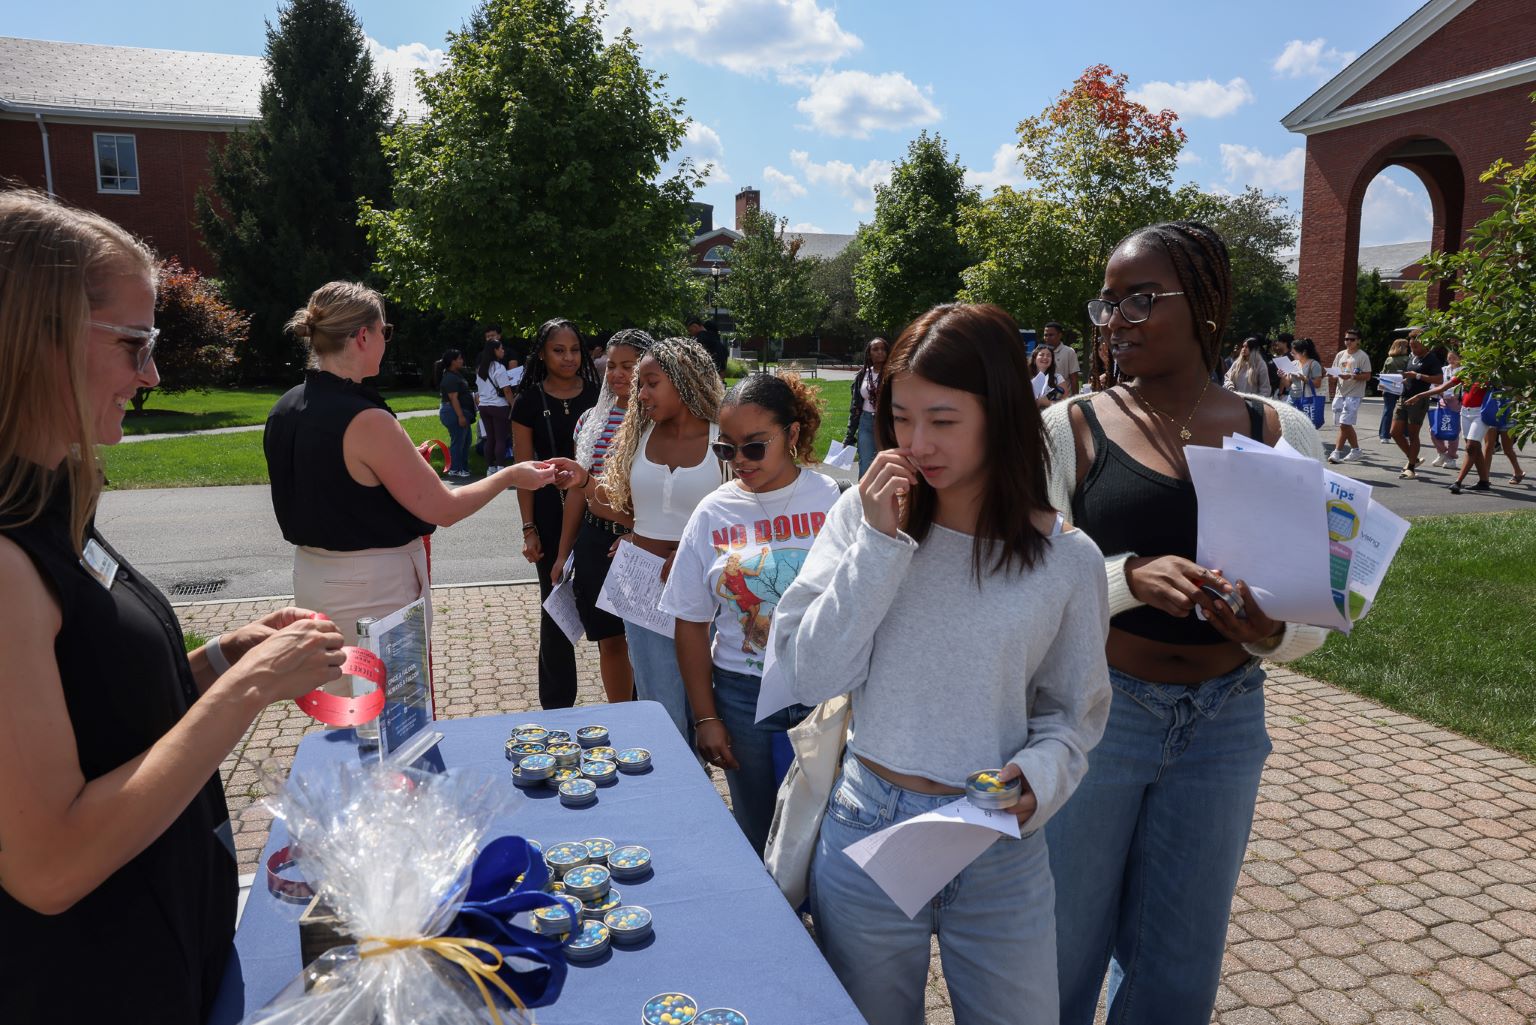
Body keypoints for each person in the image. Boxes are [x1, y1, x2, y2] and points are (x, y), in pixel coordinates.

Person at [0, 189, 349, 1025]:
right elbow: (48, 863)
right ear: (33, 336)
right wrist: (246, 690)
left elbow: (104, 716)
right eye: (134, 344)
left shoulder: (54, 499)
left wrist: (221, 657)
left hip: (167, 947)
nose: (152, 374)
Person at [771, 302, 1111, 1025]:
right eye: (900, 416)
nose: (916, 442)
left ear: (1002, 414)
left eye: (944, 419)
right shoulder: (859, 520)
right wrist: (879, 546)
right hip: (869, 824)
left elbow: (1072, 715)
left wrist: (1038, 779)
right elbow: (810, 674)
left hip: (996, 838)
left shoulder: (1067, 559)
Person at [1043, 220, 1329, 1025]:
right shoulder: (1071, 427)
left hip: (1226, 720)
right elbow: (1025, 580)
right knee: (1062, 946)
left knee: (1181, 963)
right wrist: (1125, 576)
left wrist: (1268, 629)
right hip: (1101, 714)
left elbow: (1311, 610)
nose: (1118, 319)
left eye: (1141, 298)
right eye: (1110, 302)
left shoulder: (1280, 430)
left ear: (1204, 304)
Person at [266, 283, 571, 649]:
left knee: (337, 700)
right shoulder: (366, 420)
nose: (386, 340)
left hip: (314, 581)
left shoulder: (286, 406)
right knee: (390, 703)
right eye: (385, 331)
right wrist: (511, 474)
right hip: (371, 593)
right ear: (364, 336)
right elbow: (445, 508)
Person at [661, 372, 841, 856]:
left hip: (825, 691)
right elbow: (690, 622)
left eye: (754, 446)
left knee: (828, 834)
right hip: (743, 696)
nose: (739, 461)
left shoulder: (833, 501)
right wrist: (705, 717)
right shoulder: (712, 513)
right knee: (761, 835)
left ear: (794, 434)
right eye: (726, 449)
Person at [599, 337, 725, 740]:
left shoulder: (723, 440)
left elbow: (746, 518)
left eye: (651, 382)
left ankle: (700, 787)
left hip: (709, 588)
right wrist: (631, 536)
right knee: (660, 707)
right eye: (641, 384)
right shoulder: (638, 435)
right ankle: (678, 794)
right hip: (644, 585)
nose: (641, 393)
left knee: (704, 705)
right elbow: (629, 506)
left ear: (684, 380)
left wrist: (693, 556)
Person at [552, 329, 652, 703]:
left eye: (629, 366)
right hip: (596, 540)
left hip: (642, 541)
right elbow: (578, 491)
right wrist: (564, 552)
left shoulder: (659, 421)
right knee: (609, 640)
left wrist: (640, 532)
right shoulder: (590, 421)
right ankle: (623, 715)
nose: (617, 374)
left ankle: (659, 719)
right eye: (611, 365)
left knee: (647, 643)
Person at [511, 318, 602, 709]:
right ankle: (557, 705)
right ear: (543, 354)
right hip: (549, 515)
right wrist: (529, 528)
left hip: (599, 509)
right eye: (558, 350)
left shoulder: (601, 396)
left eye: (575, 350)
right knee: (555, 606)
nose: (568, 358)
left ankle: (628, 696)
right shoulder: (528, 402)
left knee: (606, 607)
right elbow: (521, 474)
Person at [1411, 375, 1489, 494]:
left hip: (1481, 413)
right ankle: (1484, 482)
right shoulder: (1467, 371)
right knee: (1475, 448)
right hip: (1465, 412)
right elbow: (1443, 387)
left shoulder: (1490, 371)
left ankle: (1458, 482)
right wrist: (1420, 395)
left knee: (1471, 447)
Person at [1390, 329, 1446, 479]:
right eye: (1411, 342)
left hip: (1419, 399)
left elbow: (1439, 380)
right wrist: (1400, 381)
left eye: (1415, 343)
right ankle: (1413, 459)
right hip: (1403, 397)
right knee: (1394, 432)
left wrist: (1418, 376)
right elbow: (1410, 377)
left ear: (1425, 344)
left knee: (1413, 434)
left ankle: (1411, 468)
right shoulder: (1411, 357)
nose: (1412, 346)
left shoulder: (1431, 359)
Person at [842, 337, 888, 479]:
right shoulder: (863, 375)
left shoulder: (893, 374)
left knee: (886, 463)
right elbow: (855, 406)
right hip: (866, 422)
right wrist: (850, 435)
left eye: (883, 349)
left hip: (886, 424)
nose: (880, 352)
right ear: (869, 354)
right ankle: (863, 498)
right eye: (875, 349)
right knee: (866, 463)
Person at [1327, 327, 1372, 463]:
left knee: (1344, 423)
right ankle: (1356, 450)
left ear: (1358, 341)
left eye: (1351, 339)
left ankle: (1336, 452)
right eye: (1346, 339)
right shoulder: (1340, 355)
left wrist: (1352, 376)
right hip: (1340, 393)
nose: (1348, 342)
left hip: (1354, 394)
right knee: (1343, 424)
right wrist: (1336, 376)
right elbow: (1333, 373)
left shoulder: (1362, 356)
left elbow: (1367, 376)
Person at [476, 338, 516, 474]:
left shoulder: (480, 368)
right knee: (500, 438)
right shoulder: (499, 367)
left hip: (484, 406)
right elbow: (507, 390)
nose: (503, 351)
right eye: (501, 348)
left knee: (489, 438)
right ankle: (500, 467)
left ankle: (490, 467)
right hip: (498, 406)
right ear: (495, 350)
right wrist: (513, 404)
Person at [436, 347, 476, 479]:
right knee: (458, 441)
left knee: (466, 440)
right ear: (453, 361)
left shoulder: (456, 375)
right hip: (453, 412)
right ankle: (455, 469)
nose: (462, 360)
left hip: (459, 411)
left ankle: (463, 468)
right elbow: (453, 398)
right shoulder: (450, 377)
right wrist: (460, 416)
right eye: (459, 358)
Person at [1426, 347, 1462, 470]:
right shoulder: (1444, 370)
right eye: (1449, 358)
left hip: (1457, 403)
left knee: (1453, 431)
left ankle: (1451, 458)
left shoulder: (1463, 371)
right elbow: (1434, 385)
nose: (1451, 360)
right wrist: (1438, 389)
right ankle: (1442, 453)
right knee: (1433, 429)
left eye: (1454, 358)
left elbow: (1460, 388)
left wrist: (1445, 390)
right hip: (1442, 401)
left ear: (1460, 359)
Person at [1377, 337, 1410, 443]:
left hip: (1388, 386)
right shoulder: (1407, 359)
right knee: (1404, 411)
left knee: (1387, 410)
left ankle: (1384, 435)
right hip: (1402, 386)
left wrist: (1382, 387)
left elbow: (1383, 373)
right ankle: (1405, 433)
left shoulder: (1389, 359)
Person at [1041, 320, 1081, 394]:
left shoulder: (1069, 352)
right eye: (1046, 335)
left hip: (1063, 400)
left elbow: (1074, 379)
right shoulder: (1040, 353)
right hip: (1044, 400)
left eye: (1051, 335)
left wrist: (1076, 399)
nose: (1047, 338)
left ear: (1060, 335)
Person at [1032, 342, 1067, 408]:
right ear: (1034, 359)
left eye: (1048, 355)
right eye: (1041, 355)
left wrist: (1046, 402)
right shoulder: (1025, 377)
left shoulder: (1058, 378)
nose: (1045, 357)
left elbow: (1066, 403)